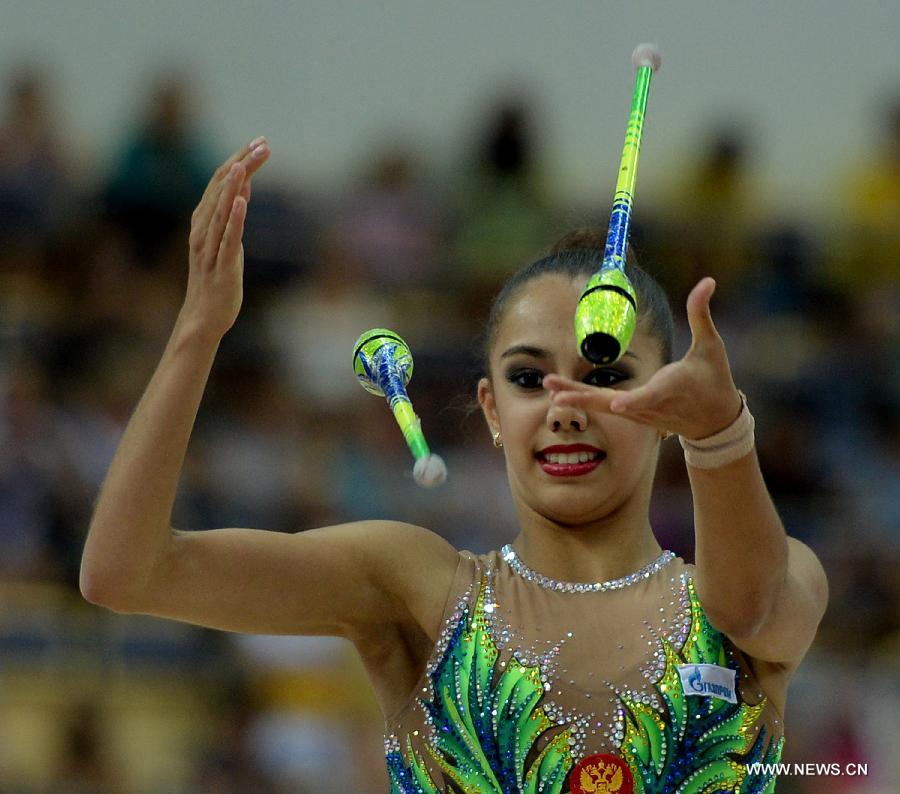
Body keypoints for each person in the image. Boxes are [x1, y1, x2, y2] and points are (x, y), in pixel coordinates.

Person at [80, 139, 828, 793]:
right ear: (492, 411)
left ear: (670, 404)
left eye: (606, 376)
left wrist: (721, 433)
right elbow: (124, 572)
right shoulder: (421, 593)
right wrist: (196, 331)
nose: (565, 405)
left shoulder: (771, 577)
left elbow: (750, 611)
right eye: (529, 379)